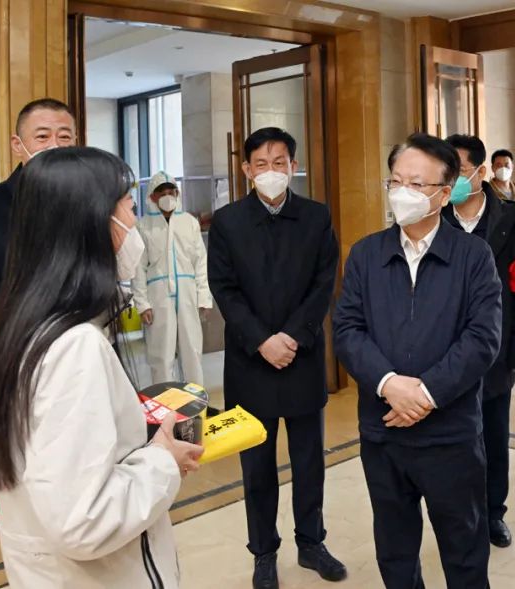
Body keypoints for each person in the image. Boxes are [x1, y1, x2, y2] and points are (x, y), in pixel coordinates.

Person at [0, 147, 203, 588]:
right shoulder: (74, 347)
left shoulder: (20, 324)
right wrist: (163, 460)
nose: (134, 222)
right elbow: (84, 520)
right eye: (128, 206)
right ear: (92, 223)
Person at [334, 132, 502, 589]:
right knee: (395, 552)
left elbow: (482, 339)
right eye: (396, 181)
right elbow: (347, 330)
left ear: (444, 194)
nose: (402, 192)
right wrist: (390, 384)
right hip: (383, 432)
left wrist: (425, 394)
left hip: (450, 435)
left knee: (464, 552)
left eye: (417, 184)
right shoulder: (366, 254)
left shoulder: (473, 256)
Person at [208, 127, 344, 588]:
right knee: (257, 467)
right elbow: (224, 289)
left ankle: (312, 543)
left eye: (280, 162)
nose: (271, 171)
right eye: (261, 164)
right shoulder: (228, 222)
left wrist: (292, 337)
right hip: (250, 363)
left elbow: (323, 284)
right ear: (247, 169)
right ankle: (263, 552)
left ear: (293, 166)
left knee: (309, 462)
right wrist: (262, 340)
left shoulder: (316, 217)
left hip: (301, 358)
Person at [0, 98, 76, 435]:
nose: (54, 145)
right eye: (42, 136)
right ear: (17, 144)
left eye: (64, 137)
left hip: (82, 375)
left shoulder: (86, 206)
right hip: (19, 383)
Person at [445, 135, 515, 548]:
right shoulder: (436, 218)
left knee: (493, 436)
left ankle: (493, 513)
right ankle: (458, 514)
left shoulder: (511, 221)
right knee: (453, 439)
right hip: (446, 354)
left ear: (481, 172)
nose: (451, 180)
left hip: (496, 352)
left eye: (460, 171)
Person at [131, 171, 211, 387]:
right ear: (152, 196)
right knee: (161, 353)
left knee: (192, 349)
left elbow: (200, 262)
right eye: (162, 193)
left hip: (187, 294)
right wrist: (142, 304)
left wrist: (203, 297)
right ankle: (165, 401)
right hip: (158, 297)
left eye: (171, 191)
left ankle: (195, 399)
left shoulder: (189, 223)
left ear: (177, 193)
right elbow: (138, 269)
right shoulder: (143, 226)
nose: (167, 196)